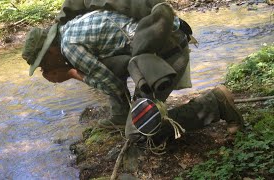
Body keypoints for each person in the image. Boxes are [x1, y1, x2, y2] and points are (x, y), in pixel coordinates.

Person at [21, 0, 244, 145]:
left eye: (43, 63)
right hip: (163, 49)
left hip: (164, 58)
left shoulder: (69, 46)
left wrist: (70, 73)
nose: (45, 69)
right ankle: (121, 116)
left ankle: (216, 104)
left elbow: (111, 84)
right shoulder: (70, 28)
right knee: (128, 109)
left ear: (50, 49)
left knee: (139, 133)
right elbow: (110, 67)